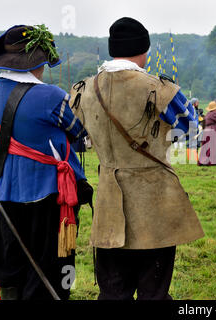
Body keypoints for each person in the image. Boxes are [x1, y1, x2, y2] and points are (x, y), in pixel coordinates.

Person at [69, 17, 204, 300]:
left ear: (112, 49)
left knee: (112, 293)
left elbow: (77, 135)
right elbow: (192, 129)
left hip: (108, 208)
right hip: (155, 208)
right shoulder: (160, 88)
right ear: (144, 50)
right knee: (153, 294)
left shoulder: (83, 90)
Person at [0, 25, 89, 300]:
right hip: (49, 195)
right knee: (50, 267)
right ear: (38, 62)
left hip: (4, 192)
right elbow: (79, 130)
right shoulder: (51, 96)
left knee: (11, 264)